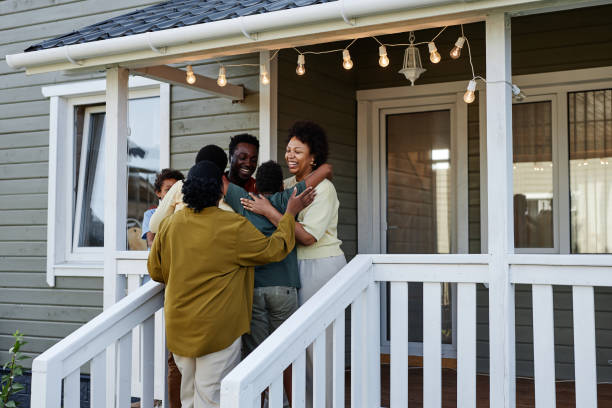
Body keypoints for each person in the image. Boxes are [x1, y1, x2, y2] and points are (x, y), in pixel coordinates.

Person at [147, 160, 309, 408]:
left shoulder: (169, 225)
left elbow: (156, 270)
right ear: (218, 190)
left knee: (188, 398)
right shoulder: (232, 226)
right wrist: (288, 215)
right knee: (212, 399)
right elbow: (273, 250)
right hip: (219, 329)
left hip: (180, 327)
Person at [241, 121, 345, 408]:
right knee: (299, 344)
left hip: (321, 267)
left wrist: (268, 211)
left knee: (318, 345)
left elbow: (308, 237)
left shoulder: (324, 191)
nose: (290, 156)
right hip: (296, 269)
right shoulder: (289, 186)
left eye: (298, 151)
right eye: (288, 150)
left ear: (313, 156)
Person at [223, 160, 331, 404]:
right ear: (281, 184)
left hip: (254, 287)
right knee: (288, 352)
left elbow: (221, 182)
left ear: (256, 184)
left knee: (258, 355)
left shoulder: (244, 200)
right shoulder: (287, 199)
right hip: (284, 288)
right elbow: (324, 171)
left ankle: (263, 402)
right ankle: (293, 403)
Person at [148, 144, 230, 234]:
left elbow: (155, 226)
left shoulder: (180, 186)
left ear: (196, 165)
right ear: (221, 173)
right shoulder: (224, 192)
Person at [142, 168, 185, 248]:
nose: (172, 194)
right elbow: (151, 243)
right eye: (168, 190)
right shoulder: (150, 214)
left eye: (175, 190)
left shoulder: (183, 213)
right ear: (158, 193)